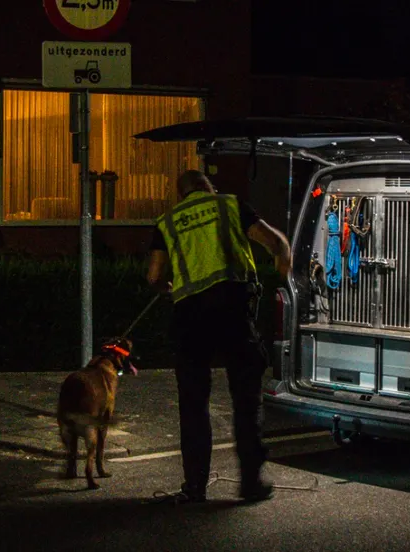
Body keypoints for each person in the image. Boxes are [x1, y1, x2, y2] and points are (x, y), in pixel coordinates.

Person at [146, 169, 291, 504]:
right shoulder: (229, 205)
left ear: (180, 195)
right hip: (233, 312)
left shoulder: (167, 222)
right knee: (246, 399)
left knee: (194, 405)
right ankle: (250, 484)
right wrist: (282, 275)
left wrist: (171, 288)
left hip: (190, 319)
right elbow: (277, 243)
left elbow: (154, 275)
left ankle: (195, 487)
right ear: (209, 187)